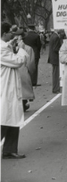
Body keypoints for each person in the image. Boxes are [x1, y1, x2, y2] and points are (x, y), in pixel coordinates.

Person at [1, 22, 28, 159]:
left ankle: (9, 149)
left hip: (10, 87)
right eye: (11, 32)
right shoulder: (1, 49)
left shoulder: (5, 46)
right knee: (4, 119)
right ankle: (8, 148)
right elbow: (17, 61)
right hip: (5, 88)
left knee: (13, 118)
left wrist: (11, 45)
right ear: (4, 33)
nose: (13, 34)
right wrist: (22, 49)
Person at [13, 28, 35, 111]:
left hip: (16, 70)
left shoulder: (12, 48)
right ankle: (24, 103)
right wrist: (30, 71)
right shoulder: (28, 48)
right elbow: (31, 63)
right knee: (24, 89)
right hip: (24, 70)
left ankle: (21, 104)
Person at [48, 29, 64, 94]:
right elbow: (56, 49)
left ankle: (55, 88)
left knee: (55, 73)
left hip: (52, 58)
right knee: (56, 74)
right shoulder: (56, 37)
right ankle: (56, 88)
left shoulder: (53, 35)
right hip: (55, 58)